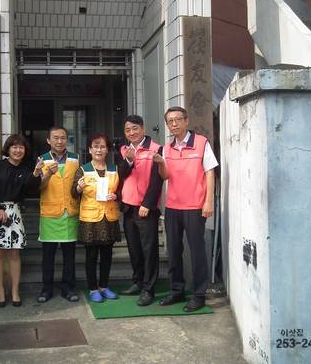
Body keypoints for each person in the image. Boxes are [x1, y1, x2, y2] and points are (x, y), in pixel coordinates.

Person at [153, 107, 218, 312]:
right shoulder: (166, 148)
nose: (174, 124)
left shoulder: (201, 142)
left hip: (195, 205)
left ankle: (199, 294)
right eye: (170, 121)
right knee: (173, 251)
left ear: (186, 121)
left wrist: (209, 201)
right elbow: (165, 176)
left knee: (197, 251)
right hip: (172, 206)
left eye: (178, 119)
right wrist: (160, 163)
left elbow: (210, 172)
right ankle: (177, 290)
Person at [0, 134, 42, 307]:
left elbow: (30, 188)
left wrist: (36, 173)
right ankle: (0, 291)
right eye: (14, 147)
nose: (18, 150)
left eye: (21, 147)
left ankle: (15, 291)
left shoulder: (26, 169)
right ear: (8, 149)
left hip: (14, 213)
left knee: (14, 254)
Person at [116, 115, 163, 306]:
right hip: (128, 207)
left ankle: (148, 289)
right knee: (134, 248)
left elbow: (157, 179)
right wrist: (128, 161)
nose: (131, 133)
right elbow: (121, 175)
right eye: (127, 130)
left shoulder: (156, 149)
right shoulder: (124, 150)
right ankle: (137, 282)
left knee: (149, 249)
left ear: (143, 129)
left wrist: (148, 204)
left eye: (135, 128)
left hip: (146, 208)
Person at [72, 133, 121, 303]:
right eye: (95, 146)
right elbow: (73, 193)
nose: (99, 150)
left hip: (109, 217)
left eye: (102, 146)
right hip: (90, 219)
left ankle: (104, 287)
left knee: (107, 255)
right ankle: (93, 289)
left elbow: (121, 190)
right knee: (91, 255)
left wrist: (116, 196)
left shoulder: (114, 169)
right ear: (90, 149)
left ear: (107, 150)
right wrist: (78, 188)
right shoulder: (83, 169)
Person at [36, 126, 80, 303]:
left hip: (70, 211)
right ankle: (46, 289)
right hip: (50, 213)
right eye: (55, 138)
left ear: (67, 140)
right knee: (48, 256)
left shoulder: (75, 158)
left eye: (63, 138)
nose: (60, 141)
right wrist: (47, 173)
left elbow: (78, 183)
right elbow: (38, 187)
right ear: (48, 140)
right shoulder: (42, 159)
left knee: (70, 256)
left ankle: (68, 288)